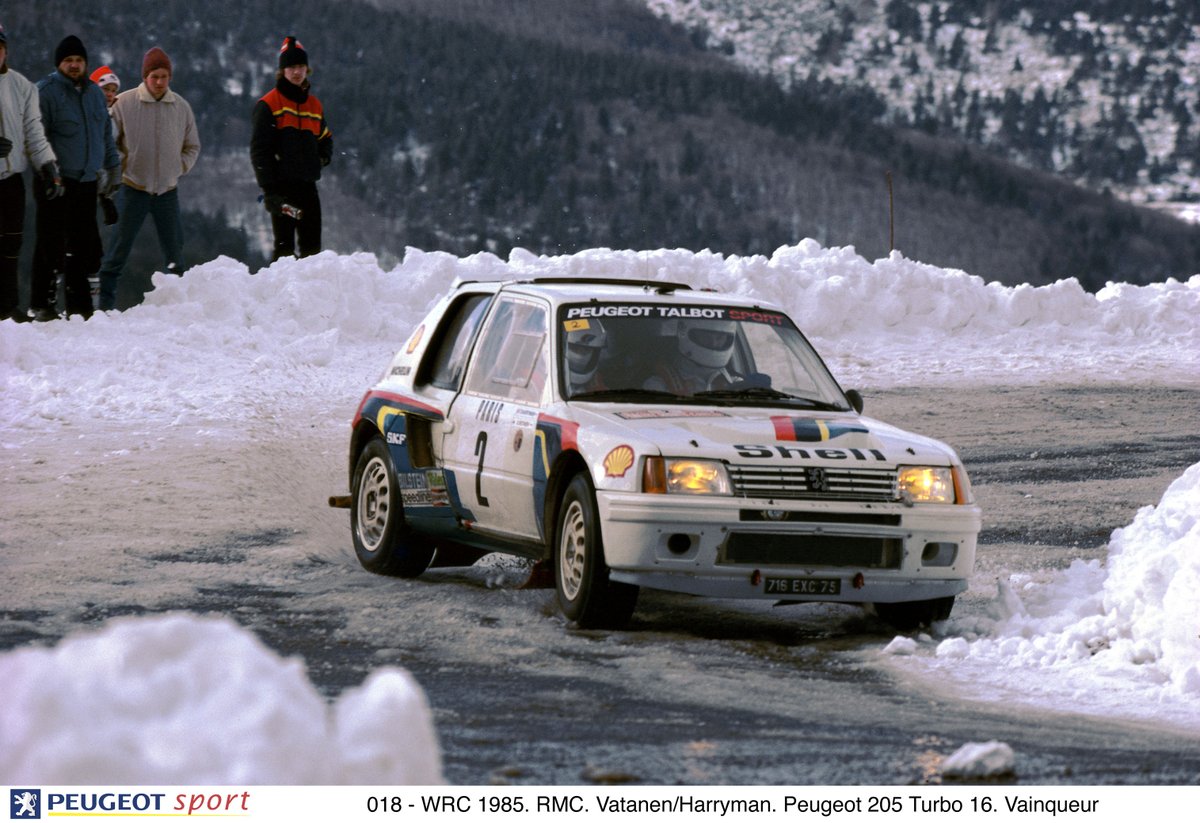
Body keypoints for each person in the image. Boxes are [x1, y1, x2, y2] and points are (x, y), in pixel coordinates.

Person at [96, 46, 200, 311]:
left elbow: (192, 146)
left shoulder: (181, 107)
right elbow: (110, 143)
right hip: (133, 188)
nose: (159, 82)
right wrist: (122, 167)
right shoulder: (124, 103)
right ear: (145, 76)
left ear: (170, 78)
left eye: (164, 76)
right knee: (118, 252)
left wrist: (178, 168)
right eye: (154, 76)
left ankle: (177, 308)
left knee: (174, 254)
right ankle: (104, 308)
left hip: (167, 191)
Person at [29, 35, 120, 320]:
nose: (74, 65)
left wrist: (112, 167)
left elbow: (104, 133)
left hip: (86, 181)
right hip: (55, 179)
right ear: (59, 64)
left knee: (82, 244)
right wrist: (46, 171)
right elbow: (34, 135)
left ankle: (79, 306)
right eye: (68, 60)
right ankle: (42, 304)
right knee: (50, 242)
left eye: (79, 60)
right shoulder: (46, 92)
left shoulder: (94, 93)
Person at [250, 36, 332, 261]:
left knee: (312, 253)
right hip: (282, 189)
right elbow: (260, 151)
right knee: (284, 253)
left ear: (307, 69)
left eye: (301, 67)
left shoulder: (314, 105)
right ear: (282, 71)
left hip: (308, 187)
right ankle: (280, 296)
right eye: (291, 67)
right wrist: (269, 190)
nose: (297, 72)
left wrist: (321, 159)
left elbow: (325, 138)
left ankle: (311, 296)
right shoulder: (268, 105)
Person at [0, 22, 60, 323]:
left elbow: (33, 131)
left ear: (5, 51)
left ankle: (8, 306)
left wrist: (47, 165)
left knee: (11, 244)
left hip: (11, 178)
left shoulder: (21, 85)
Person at [645, 318, 739, 395]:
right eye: (706, 336)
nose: (713, 343)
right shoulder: (658, 386)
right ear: (686, 334)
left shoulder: (738, 385)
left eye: (720, 337)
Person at [90, 64, 121, 227]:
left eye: (113, 90)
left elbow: (109, 152)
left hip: (97, 187)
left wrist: (105, 196)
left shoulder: (111, 118)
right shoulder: (87, 115)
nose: (109, 94)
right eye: (105, 89)